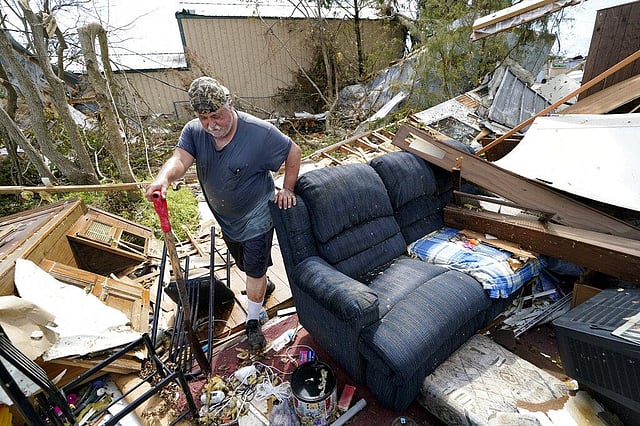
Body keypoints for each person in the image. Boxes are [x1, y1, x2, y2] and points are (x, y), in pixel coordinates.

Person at [146, 76, 301, 352]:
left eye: (216, 115)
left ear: (229, 104)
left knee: (253, 269)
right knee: (246, 266)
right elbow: (180, 159)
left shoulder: (258, 133)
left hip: (257, 215)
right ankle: (263, 282)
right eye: (204, 117)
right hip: (227, 220)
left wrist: (287, 189)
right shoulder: (194, 132)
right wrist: (163, 179)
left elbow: (294, 152)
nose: (211, 124)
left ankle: (253, 320)